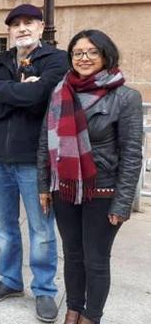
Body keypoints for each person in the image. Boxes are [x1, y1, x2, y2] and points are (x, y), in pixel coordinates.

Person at [37, 29, 143, 324]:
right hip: (65, 189)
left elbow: (132, 154)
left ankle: (90, 316)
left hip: (103, 190)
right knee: (72, 255)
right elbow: (45, 142)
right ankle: (72, 310)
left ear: (106, 54)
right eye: (78, 53)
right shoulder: (60, 91)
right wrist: (44, 186)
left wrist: (123, 203)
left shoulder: (125, 97)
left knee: (95, 259)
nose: (84, 58)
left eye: (92, 52)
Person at [0, 4, 68, 322]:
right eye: (16, 24)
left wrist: (1, 90)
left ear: (41, 28)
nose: (22, 28)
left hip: (34, 160)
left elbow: (40, 98)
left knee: (42, 230)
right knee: (4, 228)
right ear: (9, 31)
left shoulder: (56, 59)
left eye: (29, 22)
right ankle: (11, 281)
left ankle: (44, 291)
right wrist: (18, 94)